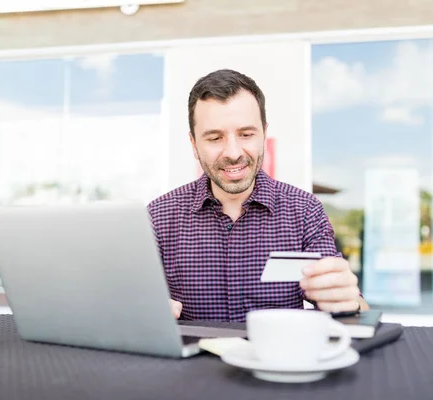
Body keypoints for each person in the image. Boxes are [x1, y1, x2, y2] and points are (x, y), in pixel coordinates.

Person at [147, 69, 369, 322]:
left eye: (246, 134)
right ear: (193, 144)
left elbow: (355, 312)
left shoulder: (305, 211)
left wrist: (348, 300)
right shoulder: (157, 217)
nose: (232, 152)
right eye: (215, 137)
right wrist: (145, 312)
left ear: (263, 134)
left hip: (279, 360)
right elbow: (133, 306)